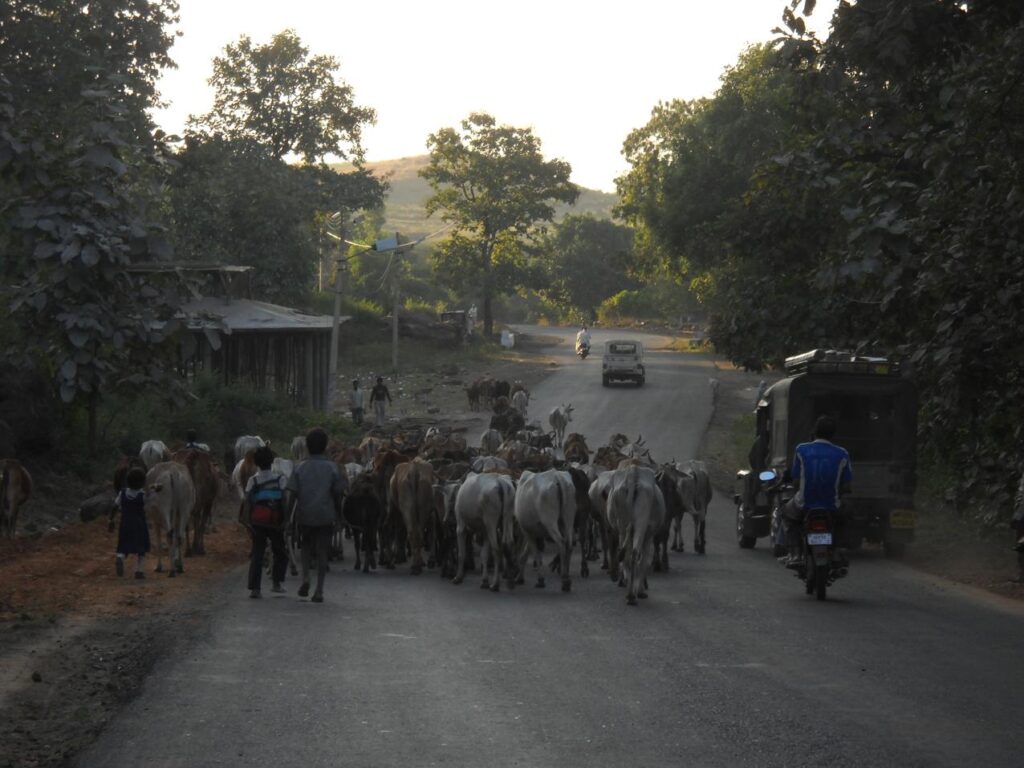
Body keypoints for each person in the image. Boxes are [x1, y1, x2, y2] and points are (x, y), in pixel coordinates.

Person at [782, 415, 852, 568]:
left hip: (804, 504)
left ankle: (794, 554)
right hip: (831, 506)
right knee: (844, 519)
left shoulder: (801, 449)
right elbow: (846, 485)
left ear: (814, 431)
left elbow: (795, 480)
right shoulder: (842, 453)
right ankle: (837, 550)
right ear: (833, 434)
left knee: (787, 514)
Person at [286, 427, 347, 603]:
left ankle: (305, 577)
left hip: (305, 513)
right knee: (322, 552)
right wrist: (340, 516)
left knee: (305, 546)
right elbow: (337, 494)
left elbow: (292, 495)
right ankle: (319, 590)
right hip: (325, 514)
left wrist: (288, 518)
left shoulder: (299, 468)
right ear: (325, 446)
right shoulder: (333, 468)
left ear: (307, 446)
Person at [243, 445, 289, 599]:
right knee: (280, 552)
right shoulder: (280, 479)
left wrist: (249, 521)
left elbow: (248, 502)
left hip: (258, 522)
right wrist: (286, 520)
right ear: (272, 462)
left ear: (256, 463)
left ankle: (255, 589)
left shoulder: (252, 480)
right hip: (275, 522)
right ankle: (276, 584)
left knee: (257, 554)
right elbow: (284, 501)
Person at [113, 467, 150, 579]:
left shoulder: (122, 493)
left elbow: (114, 506)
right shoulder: (142, 495)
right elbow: (149, 503)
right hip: (139, 525)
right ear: (142, 482)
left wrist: (111, 520)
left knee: (123, 545)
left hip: (125, 524)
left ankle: (120, 557)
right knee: (141, 548)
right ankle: (139, 571)